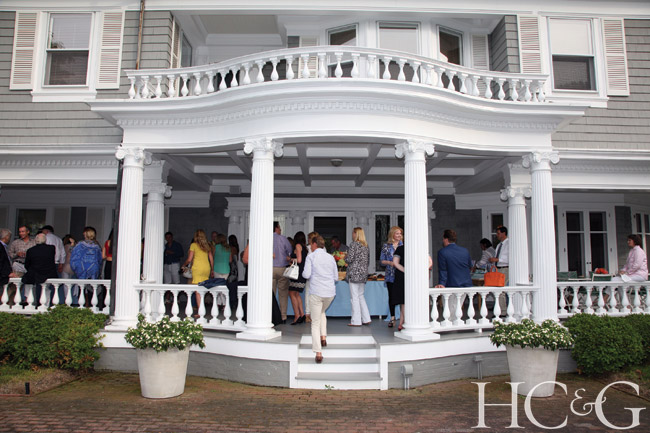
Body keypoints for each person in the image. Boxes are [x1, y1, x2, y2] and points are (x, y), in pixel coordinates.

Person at [302, 235, 337, 364]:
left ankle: (318, 352)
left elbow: (306, 274)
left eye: (311, 244)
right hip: (329, 293)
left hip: (316, 292)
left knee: (315, 322)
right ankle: (323, 337)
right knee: (321, 312)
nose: (310, 246)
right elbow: (336, 277)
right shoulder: (330, 257)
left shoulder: (311, 257)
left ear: (315, 244)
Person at [181, 229, 214, 317]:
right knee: (203, 288)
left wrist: (183, 265)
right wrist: (212, 270)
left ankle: (200, 311)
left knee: (197, 291)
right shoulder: (207, 245)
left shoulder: (193, 245)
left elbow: (189, 259)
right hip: (206, 268)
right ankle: (202, 308)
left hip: (197, 268)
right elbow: (211, 259)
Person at [70, 227, 103, 307]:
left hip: (82, 269)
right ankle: (92, 307)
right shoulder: (96, 246)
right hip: (93, 270)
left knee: (82, 289)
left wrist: (76, 268)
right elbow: (100, 260)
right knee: (92, 290)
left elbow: (74, 256)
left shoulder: (80, 245)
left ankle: (82, 307)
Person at [22, 233, 58, 306]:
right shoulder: (51, 248)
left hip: (36, 274)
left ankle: (38, 304)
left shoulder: (31, 250)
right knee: (50, 290)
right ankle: (50, 304)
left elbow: (27, 265)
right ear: (45, 240)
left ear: (36, 240)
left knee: (38, 288)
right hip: (49, 273)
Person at [345, 227, 371, 326]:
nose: (352, 235)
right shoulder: (366, 245)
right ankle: (366, 318)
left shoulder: (353, 244)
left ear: (356, 234)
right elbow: (368, 261)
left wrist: (345, 258)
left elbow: (350, 259)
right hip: (363, 274)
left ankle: (356, 321)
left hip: (354, 273)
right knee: (361, 296)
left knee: (354, 297)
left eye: (353, 233)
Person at [380, 226, 403, 328]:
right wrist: (390, 263)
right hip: (390, 275)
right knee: (392, 297)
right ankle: (392, 317)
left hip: (401, 274)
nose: (399, 235)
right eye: (397, 233)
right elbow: (381, 261)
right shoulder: (386, 246)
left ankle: (403, 319)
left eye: (400, 233)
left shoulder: (404, 245)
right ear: (392, 234)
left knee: (403, 297)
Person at [272, 221, 293, 323]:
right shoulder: (283, 238)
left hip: (270, 268)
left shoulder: (266, 238)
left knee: (270, 293)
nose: (280, 229)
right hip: (282, 268)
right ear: (276, 228)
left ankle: (270, 315)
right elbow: (290, 251)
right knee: (283, 294)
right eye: (279, 227)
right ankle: (283, 316)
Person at [288, 231, 307, 325]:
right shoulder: (305, 247)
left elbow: (299, 260)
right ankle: (302, 314)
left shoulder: (298, 246)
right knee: (297, 294)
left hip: (296, 274)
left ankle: (297, 315)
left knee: (291, 293)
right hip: (301, 273)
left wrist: (290, 259)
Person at [212, 233, 231, 312]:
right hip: (226, 269)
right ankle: (223, 303)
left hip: (217, 268)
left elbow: (212, 257)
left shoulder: (215, 247)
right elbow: (230, 260)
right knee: (223, 286)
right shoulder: (228, 248)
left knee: (218, 286)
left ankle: (220, 303)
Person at [392, 243, 406, 331]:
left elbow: (395, 262)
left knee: (403, 301)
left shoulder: (400, 249)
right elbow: (429, 262)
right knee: (404, 301)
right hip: (406, 277)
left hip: (402, 276)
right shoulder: (418, 248)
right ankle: (403, 322)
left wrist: (405, 270)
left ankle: (403, 322)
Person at [0, 229, 16, 298]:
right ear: (6, 237)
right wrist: (7, 273)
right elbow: (1, 262)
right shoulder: (1, 247)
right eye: (9, 236)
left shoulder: (3, 246)